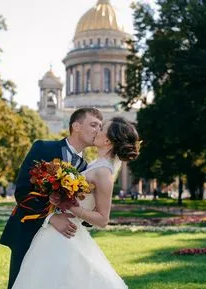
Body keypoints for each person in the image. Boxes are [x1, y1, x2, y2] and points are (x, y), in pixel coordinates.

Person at [11, 117, 139, 289]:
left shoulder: (103, 172)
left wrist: (73, 207)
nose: (96, 131)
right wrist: (57, 198)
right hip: (57, 231)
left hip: (66, 232)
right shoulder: (94, 164)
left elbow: (103, 219)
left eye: (101, 129)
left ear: (107, 140)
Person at [0, 108, 103, 289]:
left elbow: (81, 212)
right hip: (28, 232)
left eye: (100, 127)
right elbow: (22, 192)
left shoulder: (87, 168)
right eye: (93, 125)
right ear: (76, 126)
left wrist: (94, 209)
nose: (98, 130)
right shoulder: (43, 148)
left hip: (61, 241)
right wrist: (51, 217)